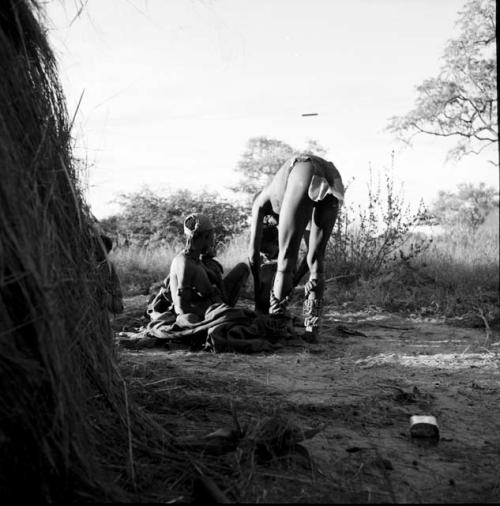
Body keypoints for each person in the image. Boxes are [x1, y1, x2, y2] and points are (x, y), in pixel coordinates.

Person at [248, 153, 344, 341]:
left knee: (286, 259)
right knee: (317, 260)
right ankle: (312, 330)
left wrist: (258, 284)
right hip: (332, 173)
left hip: (303, 169)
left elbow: (252, 254)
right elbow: (310, 255)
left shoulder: (260, 201)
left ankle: (276, 326)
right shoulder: (281, 192)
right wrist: (294, 281)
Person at [168, 213, 249, 323]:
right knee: (242, 318)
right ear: (205, 237)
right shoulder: (185, 264)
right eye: (211, 236)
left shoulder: (196, 259)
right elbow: (182, 308)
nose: (213, 240)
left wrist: (216, 276)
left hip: (215, 306)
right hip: (200, 314)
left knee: (242, 268)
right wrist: (210, 314)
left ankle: (225, 314)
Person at [95, 234, 124, 315]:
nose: (94, 249)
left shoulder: (106, 265)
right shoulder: (96, 264)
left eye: (97, 246)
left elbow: (98, 284)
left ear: (106, 250)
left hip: (114, 302)